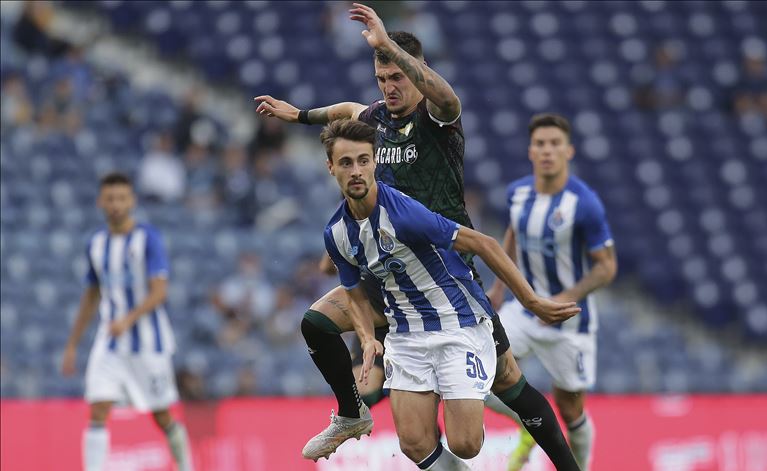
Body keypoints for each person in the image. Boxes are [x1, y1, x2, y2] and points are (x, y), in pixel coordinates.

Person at [255, 4, 580, 468]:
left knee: (508, 379)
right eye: (381, 77)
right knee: (318, 323)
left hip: (447, 267)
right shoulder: (373, 118)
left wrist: (387, 44)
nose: (389, 86)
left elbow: (446, 97)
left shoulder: (437, 117)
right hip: (388, 270)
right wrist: (300, 115)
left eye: (397, 77)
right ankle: (351, 414)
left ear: (416, 72)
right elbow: (347, 110)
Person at [319, 119, 581, 469]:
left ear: (375, 162)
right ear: (330, 167)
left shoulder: (404, 212)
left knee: (467, 442)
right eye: (347, 162)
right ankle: (354, 412)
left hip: (455, 319)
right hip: (405, 330)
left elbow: (483, 243)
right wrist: (367, 338)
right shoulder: (336, 231)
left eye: (363, 161)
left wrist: (531, 301)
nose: (356, 170)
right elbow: (351, 291)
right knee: (413, 443)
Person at [486, 114, 618, 471]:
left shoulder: (584, 203)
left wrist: (561, 300)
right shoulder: (518, 193)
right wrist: (500, 287)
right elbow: (513, 233)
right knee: (478, 368)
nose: (547, 151)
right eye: (540, 144)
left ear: (568, 151)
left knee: (570, 407)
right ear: (531, 151)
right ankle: (528, 421)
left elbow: (607, 266)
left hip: (568, 322)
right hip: (523, 312)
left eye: (554, 144)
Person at [61, 172, 193, 471]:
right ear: (100, 202)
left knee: (162, 416)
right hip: (109, 341)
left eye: (121, 198)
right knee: (98, 408)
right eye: (110, 199)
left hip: (149, 342)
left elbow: (160, 292)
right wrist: (72, 345)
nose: (116, 204)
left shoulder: (148, 239)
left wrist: (128, 319)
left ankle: (187, 466)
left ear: (131, 201)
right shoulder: (95, 243)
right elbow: (91, 294)